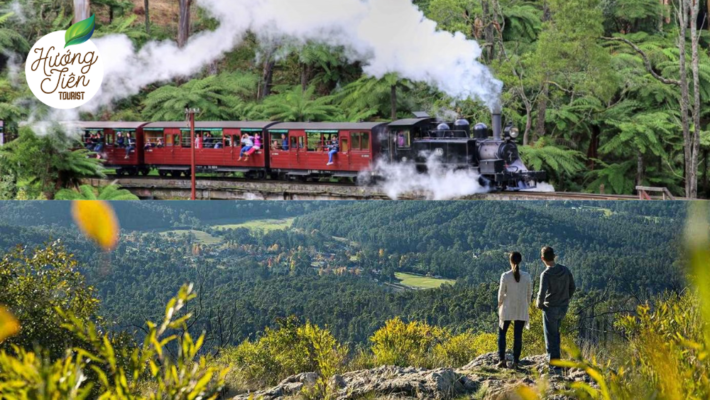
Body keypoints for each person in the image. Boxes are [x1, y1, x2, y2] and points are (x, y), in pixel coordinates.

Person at [536, 246, 576, 374]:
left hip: (550, 308)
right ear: (554, 256)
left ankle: (554, 366)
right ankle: (557, 362)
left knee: (550, 336)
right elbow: (573, 287)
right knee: (556, 334)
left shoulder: (546, 274)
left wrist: (539, 305)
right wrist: (566, 299)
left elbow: (541, 294)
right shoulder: (565, 270)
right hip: (563, 307)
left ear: (543, 258)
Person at [497, 252, 533, 370]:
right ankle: (516, 361)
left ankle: (502, 359)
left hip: (507, 307)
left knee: (502, 333)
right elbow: (529, 294)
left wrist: (500, 304)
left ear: (510, 261)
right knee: (518, 335)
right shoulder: (527, 276)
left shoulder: (505, 276)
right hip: (521, 308)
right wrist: (526, 304)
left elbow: (501, 293)